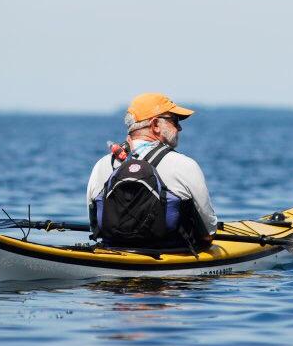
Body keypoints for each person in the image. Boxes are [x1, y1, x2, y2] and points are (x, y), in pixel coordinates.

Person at [86, 93, 217, 249]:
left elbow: (95, 228)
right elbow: (208, 232)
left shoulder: (102, 165)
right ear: (155, 125)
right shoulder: (184, 165)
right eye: (175, 121)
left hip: (112, 253)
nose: (180, 128)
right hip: (172, 256)